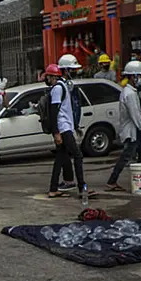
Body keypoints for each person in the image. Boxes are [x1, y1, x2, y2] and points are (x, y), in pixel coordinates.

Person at [45, 60, 97, 200]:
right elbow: (54, 112)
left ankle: (53, 189)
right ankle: (82, 188)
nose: (74, 72)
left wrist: (75, 126)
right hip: (63, 128)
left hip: (65, 126)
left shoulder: (62, 86)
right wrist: (57, 133)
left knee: (60, 158)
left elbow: (67, 110)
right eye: (71, 69)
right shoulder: (57, 88)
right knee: (78, 156)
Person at [105, 61, 141, 192]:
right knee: (126, 156)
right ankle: (112, 180)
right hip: (132, 130)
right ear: (133, 77)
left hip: (135, 129)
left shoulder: (130, 91)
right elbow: (135, 114)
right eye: (139, 76)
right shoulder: (129, 93)